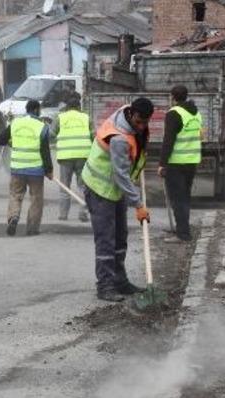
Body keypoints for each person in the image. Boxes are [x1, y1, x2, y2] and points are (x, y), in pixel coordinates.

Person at [81, 98, 153, 302]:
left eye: (145, 122)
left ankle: (120, 281)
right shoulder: (119, 138)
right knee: (106, 239)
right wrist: (138, 204)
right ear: (131, 114)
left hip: (115, 189)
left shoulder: (127, 113)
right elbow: (120, 174)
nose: (141, 126)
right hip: (99, 188)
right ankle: (105, 286)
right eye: (139, 122)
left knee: (121, 236)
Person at [0, 99, 53, 236]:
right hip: (36, 170)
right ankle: (32, 228)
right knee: (36, 199)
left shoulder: (15, 123)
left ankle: (13, 217)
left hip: (17, 169)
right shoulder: (41, 126)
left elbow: (0, 139)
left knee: (16, 195)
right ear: (35, 110)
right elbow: (45, 151)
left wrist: (12, 143)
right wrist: (49, 170)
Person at [159, 85, 201, 243]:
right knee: (184, 198)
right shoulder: (196, 113)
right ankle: (182, 229)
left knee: (177, 199)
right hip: (192, 161)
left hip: (176, 162)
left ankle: (183, 234)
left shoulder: (174, 113)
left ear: (172, 97)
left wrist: (162, 163)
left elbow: (168, 140)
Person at [53, 96, 93, 222]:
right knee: (83, 186)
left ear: (67, 107)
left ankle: (63, 214)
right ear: (78, 107)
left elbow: (51, 134)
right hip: (83, 155)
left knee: (65, 185)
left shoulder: (60, 118)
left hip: (65, 156)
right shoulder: (86, 118)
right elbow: (94, 136)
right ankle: (83, 213)